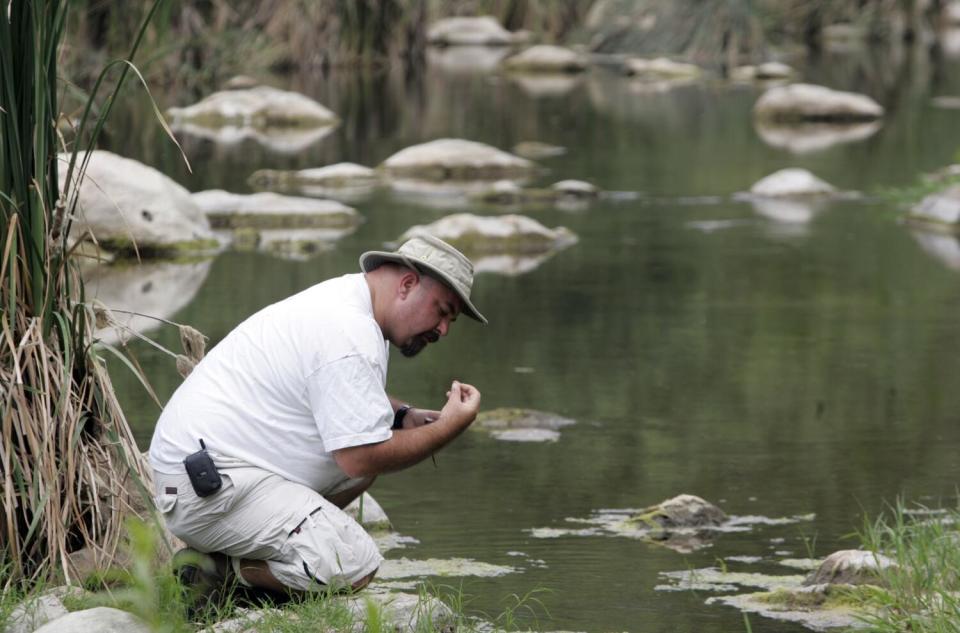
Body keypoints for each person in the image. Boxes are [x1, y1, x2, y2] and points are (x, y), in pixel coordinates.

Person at [148, 235, 485, 599]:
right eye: (442, 311)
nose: (444, 329)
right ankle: (216, 571)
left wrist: (403, 415)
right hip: (207, 490)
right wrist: (450, 427)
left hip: (205, 473)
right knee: (353, 562)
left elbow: (338, 388)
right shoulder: (348, 331)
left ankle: (257, 556)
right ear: (406, 285)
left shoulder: (347, 301)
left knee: (358, 470)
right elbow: (359, 457)